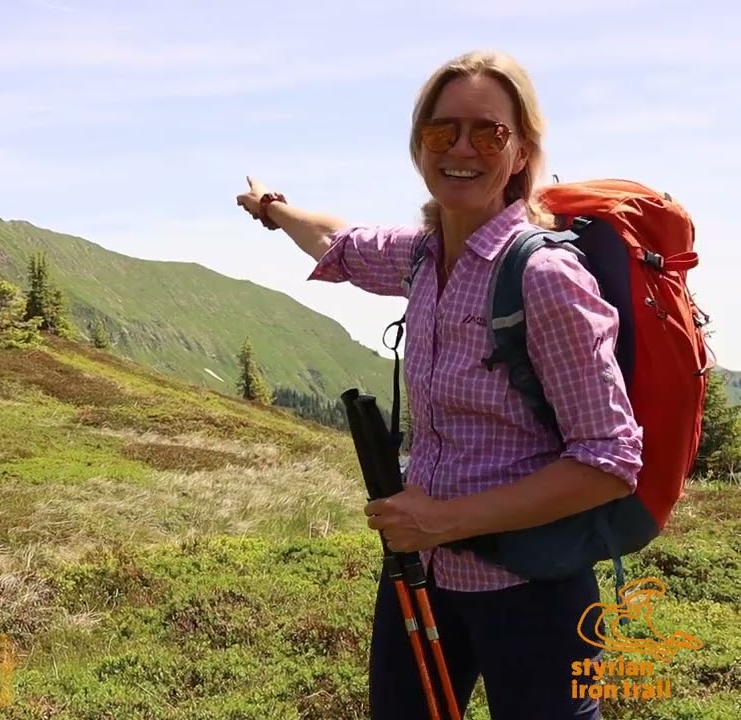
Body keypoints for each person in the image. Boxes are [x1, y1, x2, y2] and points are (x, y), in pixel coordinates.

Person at [236, 50, 643, 719]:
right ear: (418, 145)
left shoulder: (544, 280)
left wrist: (443, 519)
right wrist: (272, 208)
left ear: (522, 154)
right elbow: (341, 242)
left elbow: (609, 462)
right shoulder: (424, 255)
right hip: (422, 578)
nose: (461, 148)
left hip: (533, 588)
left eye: (488, 132)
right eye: (440, 131)